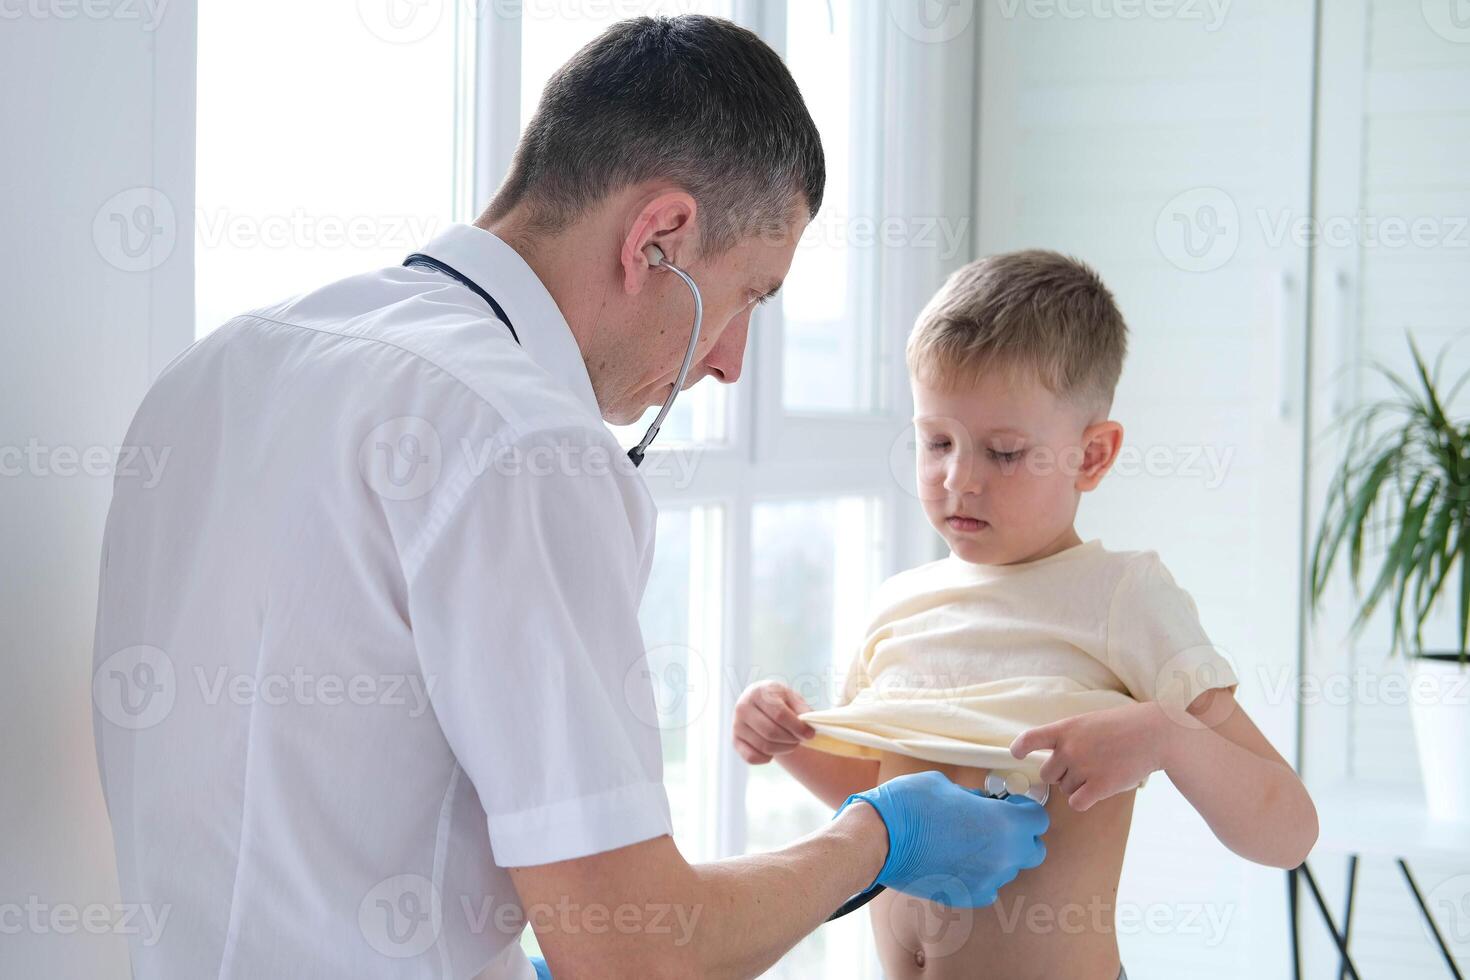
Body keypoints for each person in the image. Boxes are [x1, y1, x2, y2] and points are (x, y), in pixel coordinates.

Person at [91, 16, 1047, 980]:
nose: (729, 363)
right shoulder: (523, 441)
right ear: (660, 237)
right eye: (750, 295)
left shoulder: (216, 368)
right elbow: (634, 951)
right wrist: (879, 840)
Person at [733, 250, 1319, 979]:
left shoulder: (1121, 598)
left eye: (1004, 453)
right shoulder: (899, 607)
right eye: (936, 442)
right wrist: (789, 739)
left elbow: (1289, 833)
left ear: (1092, 457)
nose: (958, 479)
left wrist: (1170, 737)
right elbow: (880, 802)